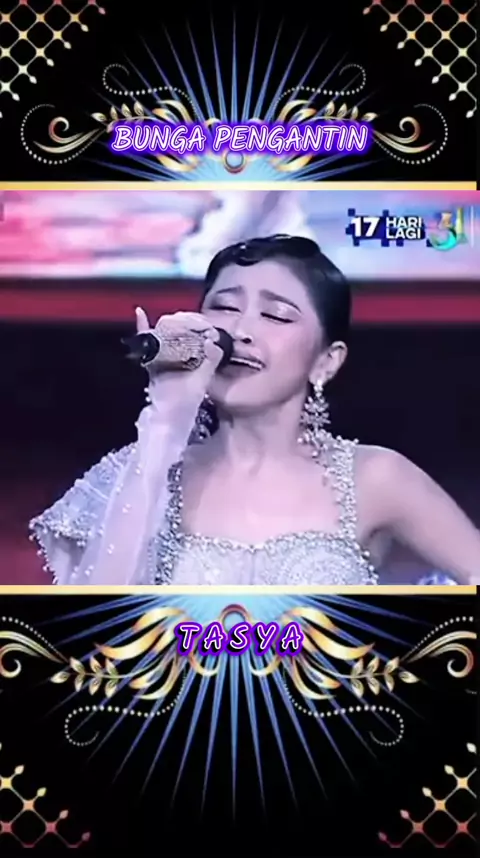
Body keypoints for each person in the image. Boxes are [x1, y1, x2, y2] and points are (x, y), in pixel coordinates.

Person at [30, 235, 480, 585]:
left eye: (276, 315)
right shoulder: (138, 472)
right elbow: (94, 626)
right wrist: (165, 419)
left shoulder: (377, 477)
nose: (241, 330)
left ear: (327, 361)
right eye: (224, 308)